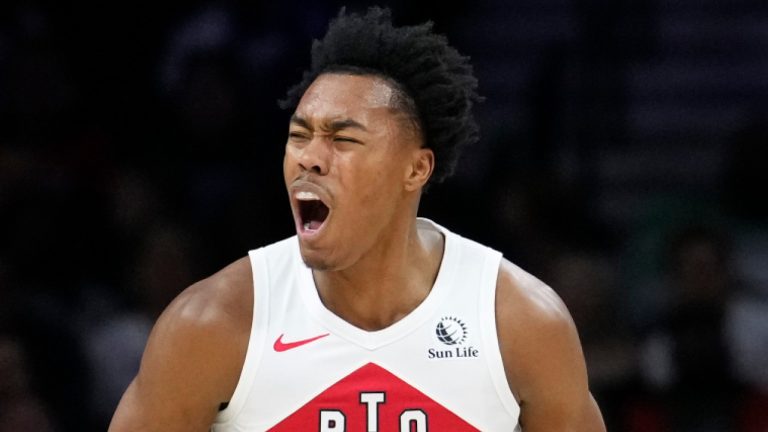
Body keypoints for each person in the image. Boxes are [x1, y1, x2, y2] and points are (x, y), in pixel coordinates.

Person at [110, 7, 605, 431]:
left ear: (416, 168)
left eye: (343, 140)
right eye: (299, 136)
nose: (310, 158)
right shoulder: (214, 323)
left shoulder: (519, 322)